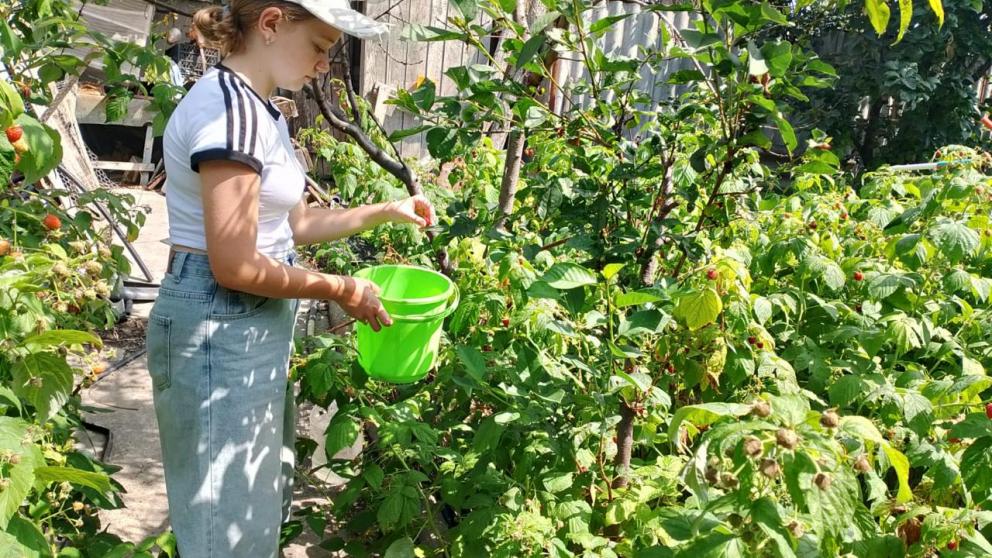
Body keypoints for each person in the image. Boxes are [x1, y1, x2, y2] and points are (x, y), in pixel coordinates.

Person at [145, 1, 435, 556]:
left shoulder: (263, 113)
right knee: (223, 530)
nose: (326, 65)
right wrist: (339, 287)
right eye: (322, 47)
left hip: (249, 322)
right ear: (273, 24)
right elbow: (235, 265)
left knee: (254, 510)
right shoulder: (227, 111)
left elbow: (292, 223)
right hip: (217, 320)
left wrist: (384, 209)